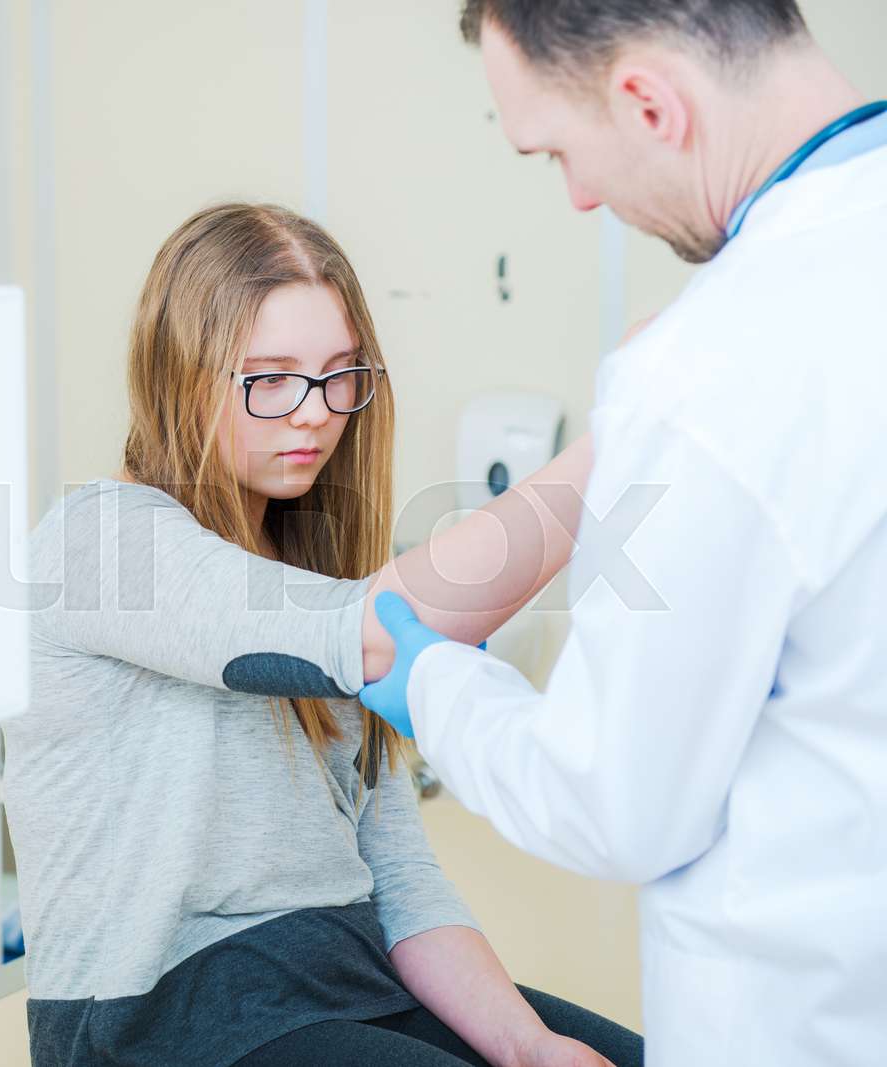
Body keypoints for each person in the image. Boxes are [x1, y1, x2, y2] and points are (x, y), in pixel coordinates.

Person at [358, 4, 887, 1065]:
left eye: (558, 149)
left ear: (648, 101)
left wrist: (431, 686)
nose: (580, 196)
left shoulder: (716, 362)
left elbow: (611, 802)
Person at [2, 202, 640, 1067]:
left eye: (340, 375)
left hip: (344, 982)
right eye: (270, 378)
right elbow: (380, 631)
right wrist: (633, 437)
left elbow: (402, 880)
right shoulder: (99, 540)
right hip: (160, 1019)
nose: (315, 414)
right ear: (176, 375)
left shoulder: (318, 578)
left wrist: (528, 1047)